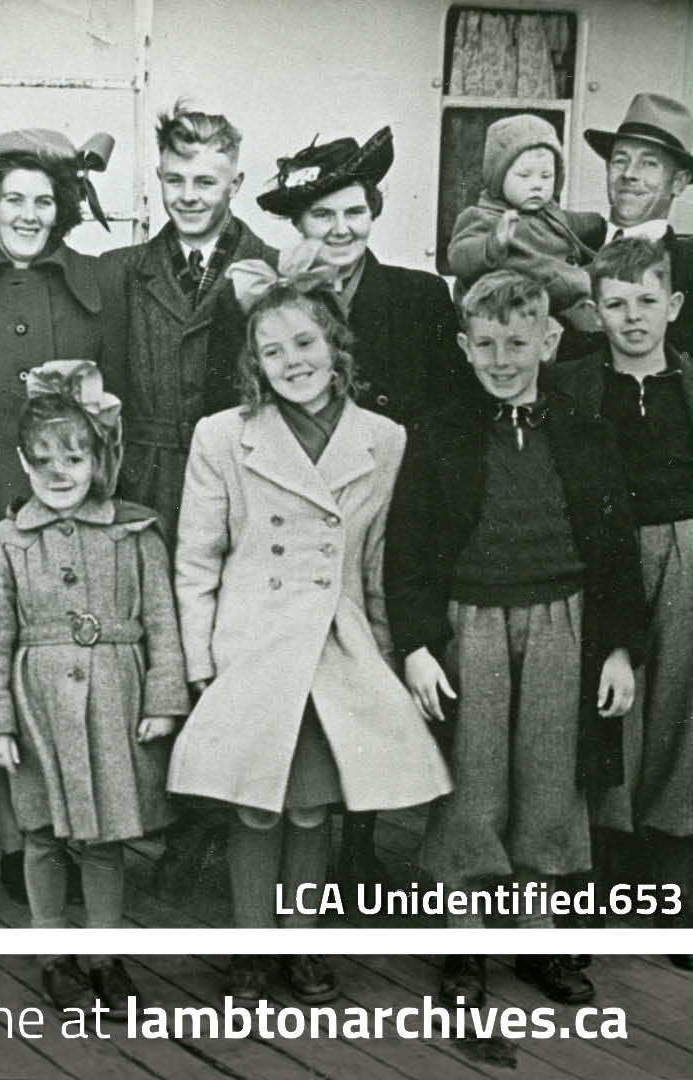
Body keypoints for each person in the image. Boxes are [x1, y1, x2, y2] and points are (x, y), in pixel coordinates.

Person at [172, 244, 451, 1003]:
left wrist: (388, 658)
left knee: (310, 805)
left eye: (305, 342)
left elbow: (381, 563)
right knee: (255, 804)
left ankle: (301, 944)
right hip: (252, 645)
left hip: (339, 644)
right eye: (271, 350)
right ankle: (254, 949)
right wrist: (200, 662)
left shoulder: (384, 440)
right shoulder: (224, 436)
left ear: (336, 345)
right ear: (253, 365)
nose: (291, 361)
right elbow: (197, 559)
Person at [385, 270, 646, 1006]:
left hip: (562, 621)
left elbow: (616, 544)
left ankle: (537, 938)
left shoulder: (583, 429)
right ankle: (465, 946)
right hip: (471, 625)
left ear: (549, 339)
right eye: (488, 345)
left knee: (550, 780)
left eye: (518, 342)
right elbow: (406, 552)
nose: (503, 360)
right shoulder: (437, 432)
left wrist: (623, 648)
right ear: (465, 346)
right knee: (472, 783)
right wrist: (416, 647)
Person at [257, 125, 472, 885]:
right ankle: (308, 840)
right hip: (312, 507)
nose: (341, 230)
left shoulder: (417, 296)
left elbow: (453, 404)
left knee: (381, 660)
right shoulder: (284, 303)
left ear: (374, 212)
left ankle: (361, 847)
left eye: (354, 213)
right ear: (300, 226)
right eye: (323, 217)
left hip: (396, 504)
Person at [0, 128, 124, 901]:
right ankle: (16, 839)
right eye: (14, 199)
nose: (29, 214)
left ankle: (76, 829)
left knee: (69, 667)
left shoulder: (97, 281)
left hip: (76, 496)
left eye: (44, 200)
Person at [0, 360, 186, 1016]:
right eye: (42, 461)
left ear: (101, 456)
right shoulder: (4, 540)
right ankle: (53, 953)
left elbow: (163, 624)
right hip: (39, 706)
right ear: (21, 462)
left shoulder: (134, 534)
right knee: (40, 830)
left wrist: (164, 699)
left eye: (75, 456)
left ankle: (104, 953)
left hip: (117, 699)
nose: (59, 473)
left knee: (106, 836)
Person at [558, 238, 693, 938]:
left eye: (647, 301)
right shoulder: (572, 383)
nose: (633, 317)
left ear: (672, 306)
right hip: (602, 557)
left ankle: (673, 882)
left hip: (689, 549)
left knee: (680, 706)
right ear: (596, 309)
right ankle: (602, 873)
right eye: (616, 303)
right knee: (609, 706)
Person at [102, 101, 277, 538]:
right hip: (143, 485)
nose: (188, 196)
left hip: (242, 483)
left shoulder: (273, 270)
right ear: (159, 178)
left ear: (234, 183)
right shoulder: (117, 271)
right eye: (174, 180)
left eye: (205, 182)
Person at [447, 113, 605, 332]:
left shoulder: (549, 212)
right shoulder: (484, 217)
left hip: (558, 298)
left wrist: (600, 223)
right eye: (525, 175)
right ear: (498, 177)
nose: (537, 185)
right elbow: (458, 257)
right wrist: (492, 245)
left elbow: (572, 223)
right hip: (510, 310)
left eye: (546, 176)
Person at [583, 93, 693, 359]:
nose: (629, 174)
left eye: (648, 163)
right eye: (620, 160)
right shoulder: (570, 243)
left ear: (678, 182)